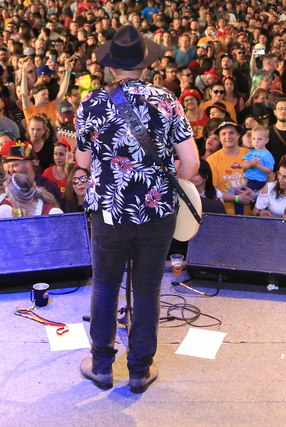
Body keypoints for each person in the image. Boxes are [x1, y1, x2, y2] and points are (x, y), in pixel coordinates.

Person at [74, 26, 199, 394]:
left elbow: (82, 161)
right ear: (145, 66)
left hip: (109, 213)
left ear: (112, 67)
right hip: (156, 211)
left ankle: (100, 366)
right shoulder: (167, 100)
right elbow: (190, 163)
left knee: (105, 285)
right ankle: (140, 371)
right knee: (146, 290)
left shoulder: (91, 103)